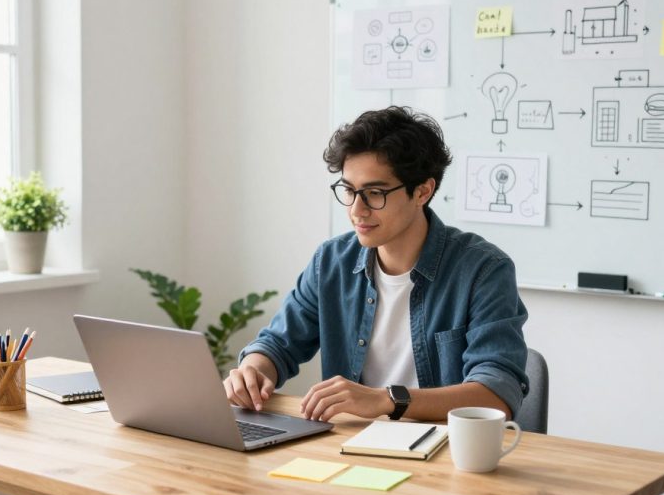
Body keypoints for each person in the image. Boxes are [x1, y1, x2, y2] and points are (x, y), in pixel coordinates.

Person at [223, 106, 528, 423]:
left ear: (423, 191)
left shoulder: (483, 270)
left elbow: (496, 394)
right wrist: (252, 370)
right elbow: (277, 344)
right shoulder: (331, 262)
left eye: (374, 193)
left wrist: (386, 400)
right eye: (349, 191)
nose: (357, 210)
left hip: (444, 455)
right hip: (350, 447)